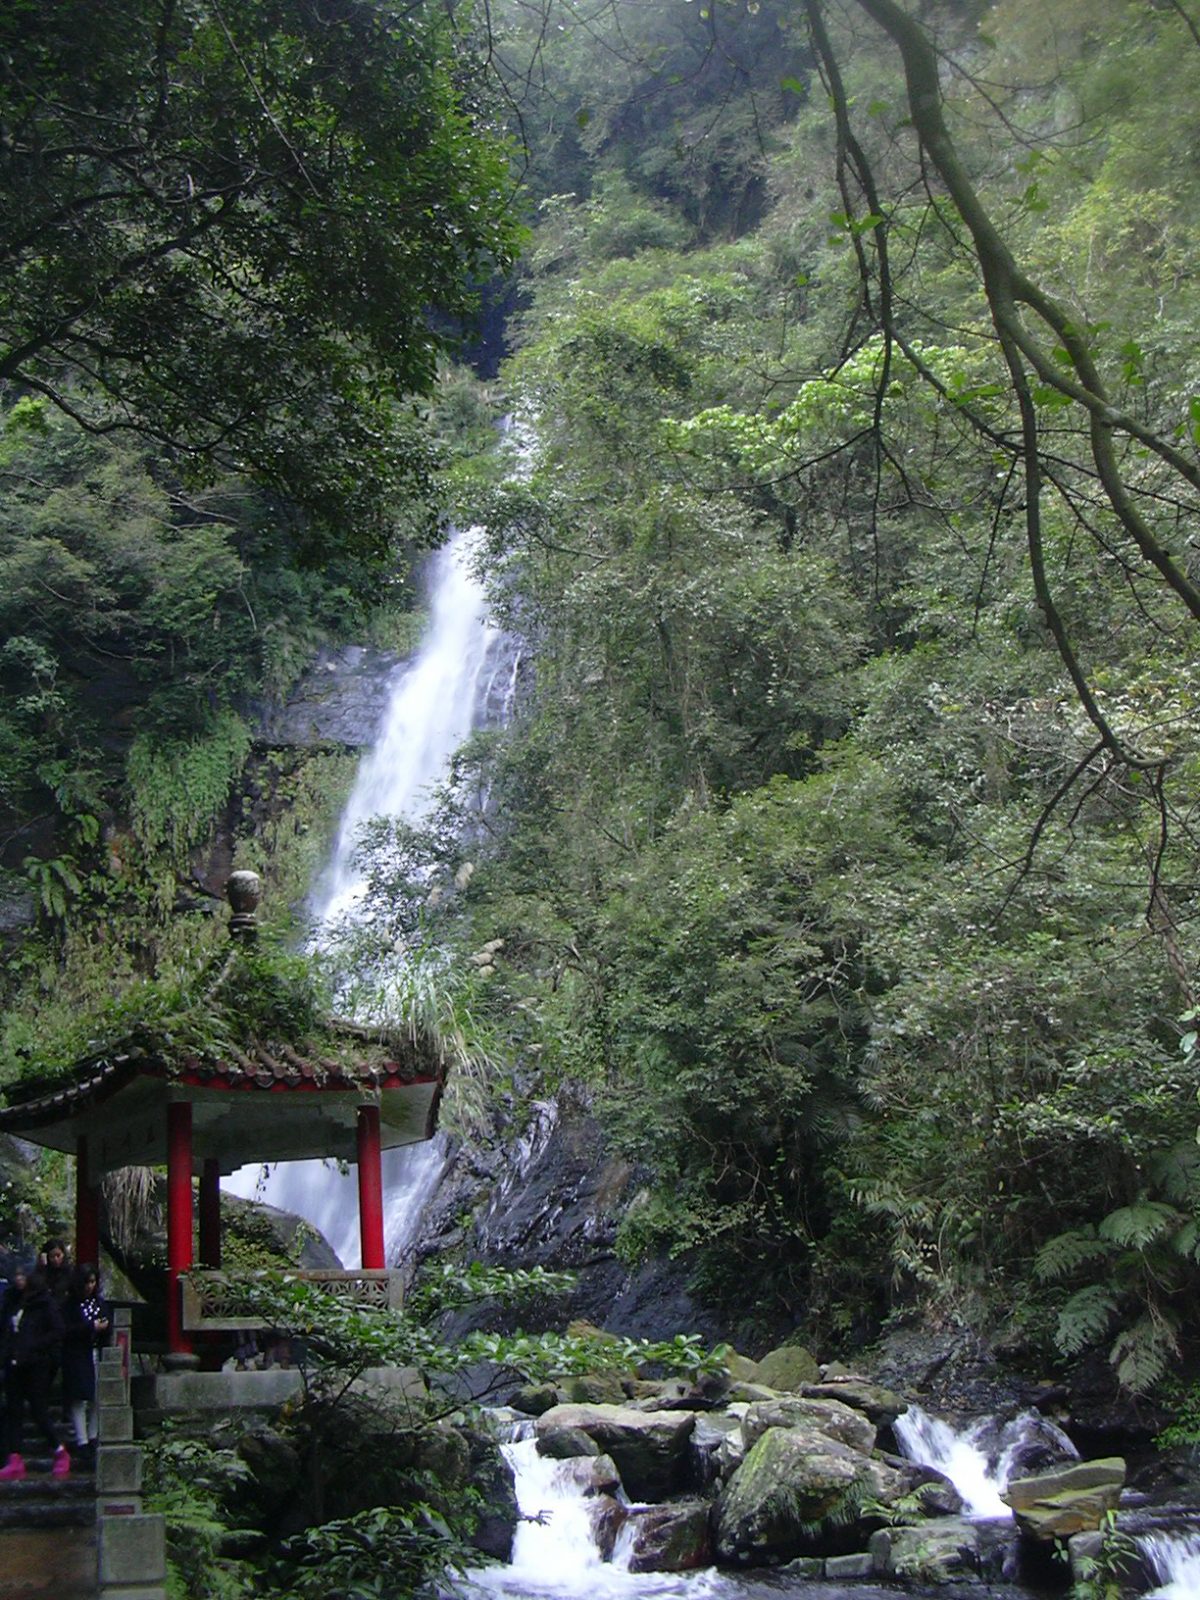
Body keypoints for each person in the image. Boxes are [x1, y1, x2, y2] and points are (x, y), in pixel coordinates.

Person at [0, 1269, 68, 1480]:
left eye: (22, 1276)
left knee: (38, 1409)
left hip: (36, 1363)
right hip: (13, 1363)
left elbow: (58, 1330)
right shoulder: (11, 1301)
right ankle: (15, 1458)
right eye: (16, 1275)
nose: (19, 1279)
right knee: (14, 1411)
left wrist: (34, 1347)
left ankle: (59, 1449)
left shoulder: (44, 1303)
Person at [62, 1264, 109, 1463]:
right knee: (79, 1398)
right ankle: (81, 1439)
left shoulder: (99, 1303)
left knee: (98, 1397)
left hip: (96, 1352)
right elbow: (65, 1330)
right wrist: (90, 1327)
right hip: (76, 1354)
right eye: (87, 1282)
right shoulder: (69, 1305)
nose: (90, 1286)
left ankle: (92, 1436)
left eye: (93, 1282)